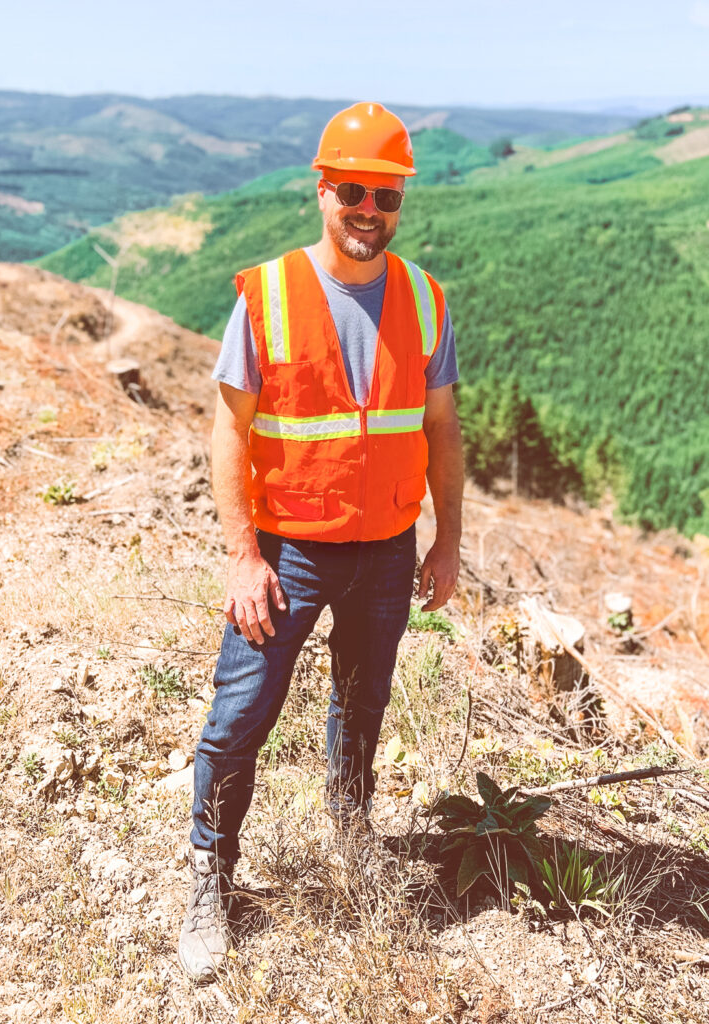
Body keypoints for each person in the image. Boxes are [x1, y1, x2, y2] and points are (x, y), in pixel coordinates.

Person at [179, 101, 464, 982]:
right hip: (286, 552)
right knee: (240, 718)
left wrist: (445, 539)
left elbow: (444, 432)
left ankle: (350, 828)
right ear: (322, 191)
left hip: (385, 552)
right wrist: (242, 556)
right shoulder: (266, 295)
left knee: (362, 703)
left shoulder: (422, 297)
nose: (367, 209)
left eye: (385, 194)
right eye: (352, 190)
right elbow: (229, 433)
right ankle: (208, 877)